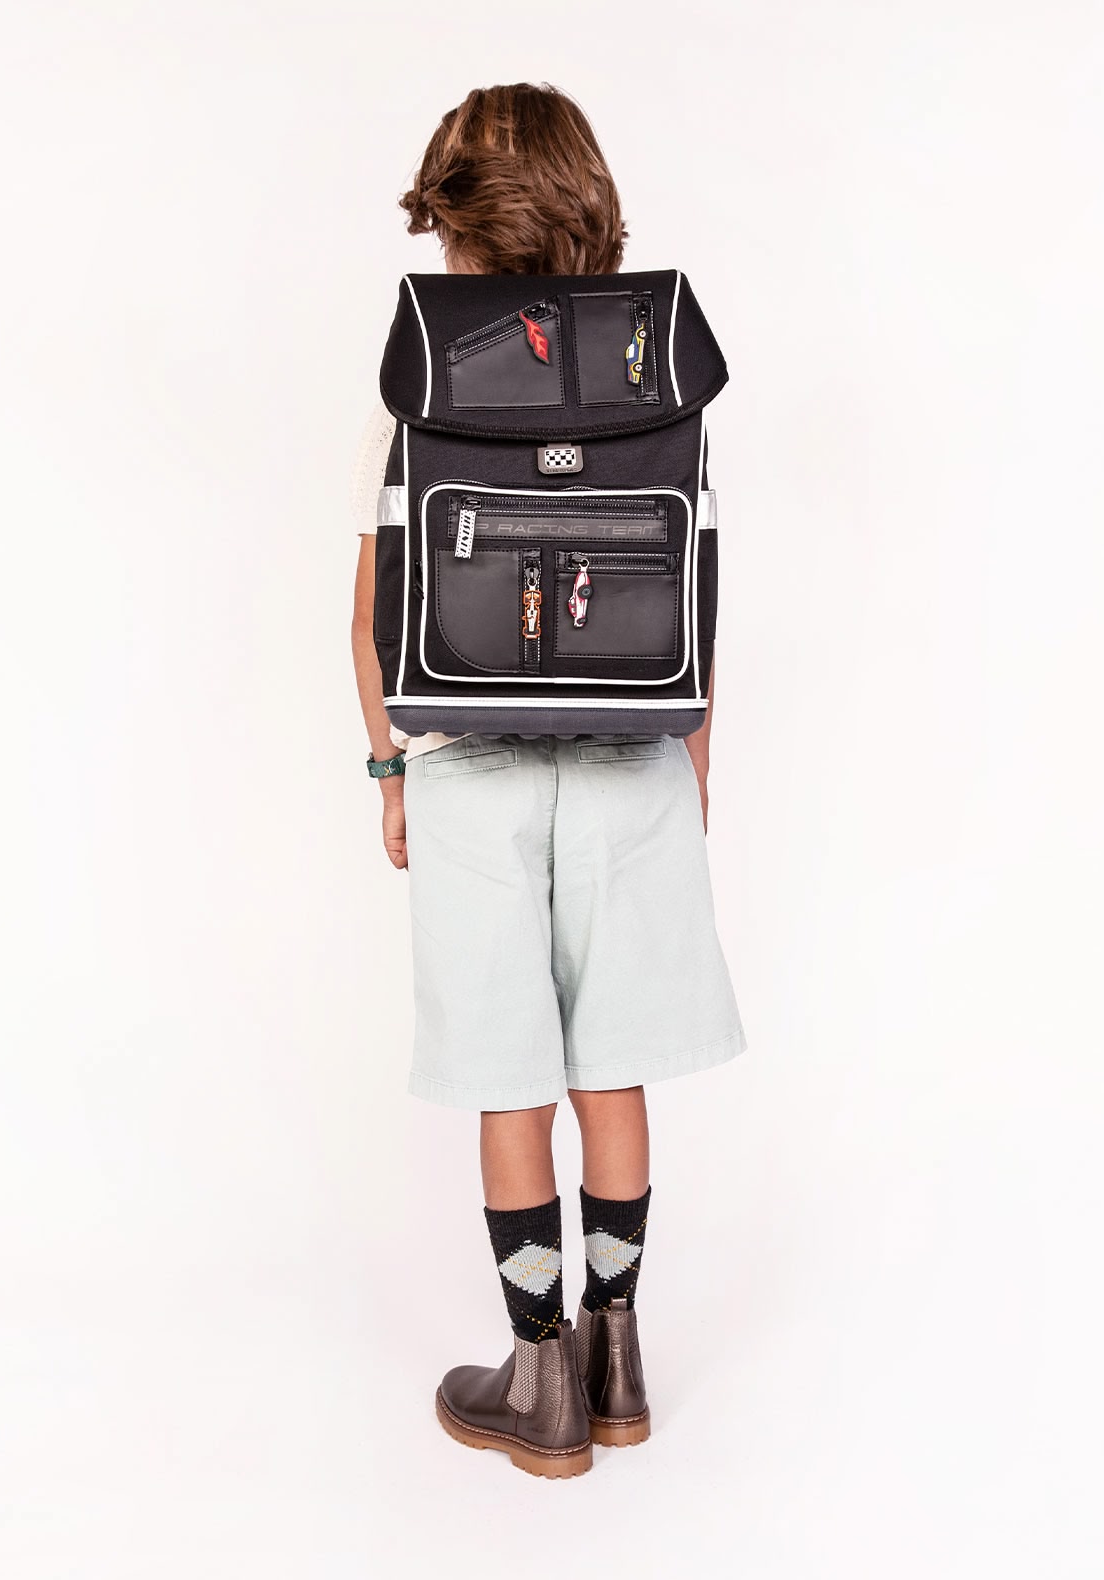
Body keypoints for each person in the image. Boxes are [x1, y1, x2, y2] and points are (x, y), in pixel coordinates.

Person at [350, 83, 745, 1479]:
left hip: (470, 770)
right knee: (610, 1064)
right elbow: (696, 585)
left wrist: (391, 767)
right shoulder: (659, 378)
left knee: (508, 1076)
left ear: (459, 239)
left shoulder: (429, 385)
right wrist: (695, 761)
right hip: (638, 760)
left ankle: (539, 1381)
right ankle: (620, 1355)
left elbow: (372, 612)